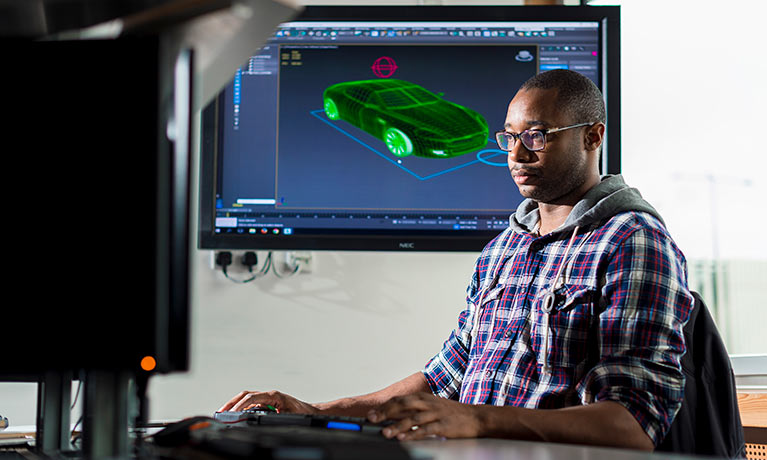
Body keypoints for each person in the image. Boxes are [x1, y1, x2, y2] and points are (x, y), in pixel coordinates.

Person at [218, 69, 693, 452]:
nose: (518, 154)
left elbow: (631, 425)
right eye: (510, 138)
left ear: (593, 136)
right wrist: (319, 413)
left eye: (538, 136)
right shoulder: (503, 249)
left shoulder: (633, 242)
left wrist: (475, 418)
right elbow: (445, 378)